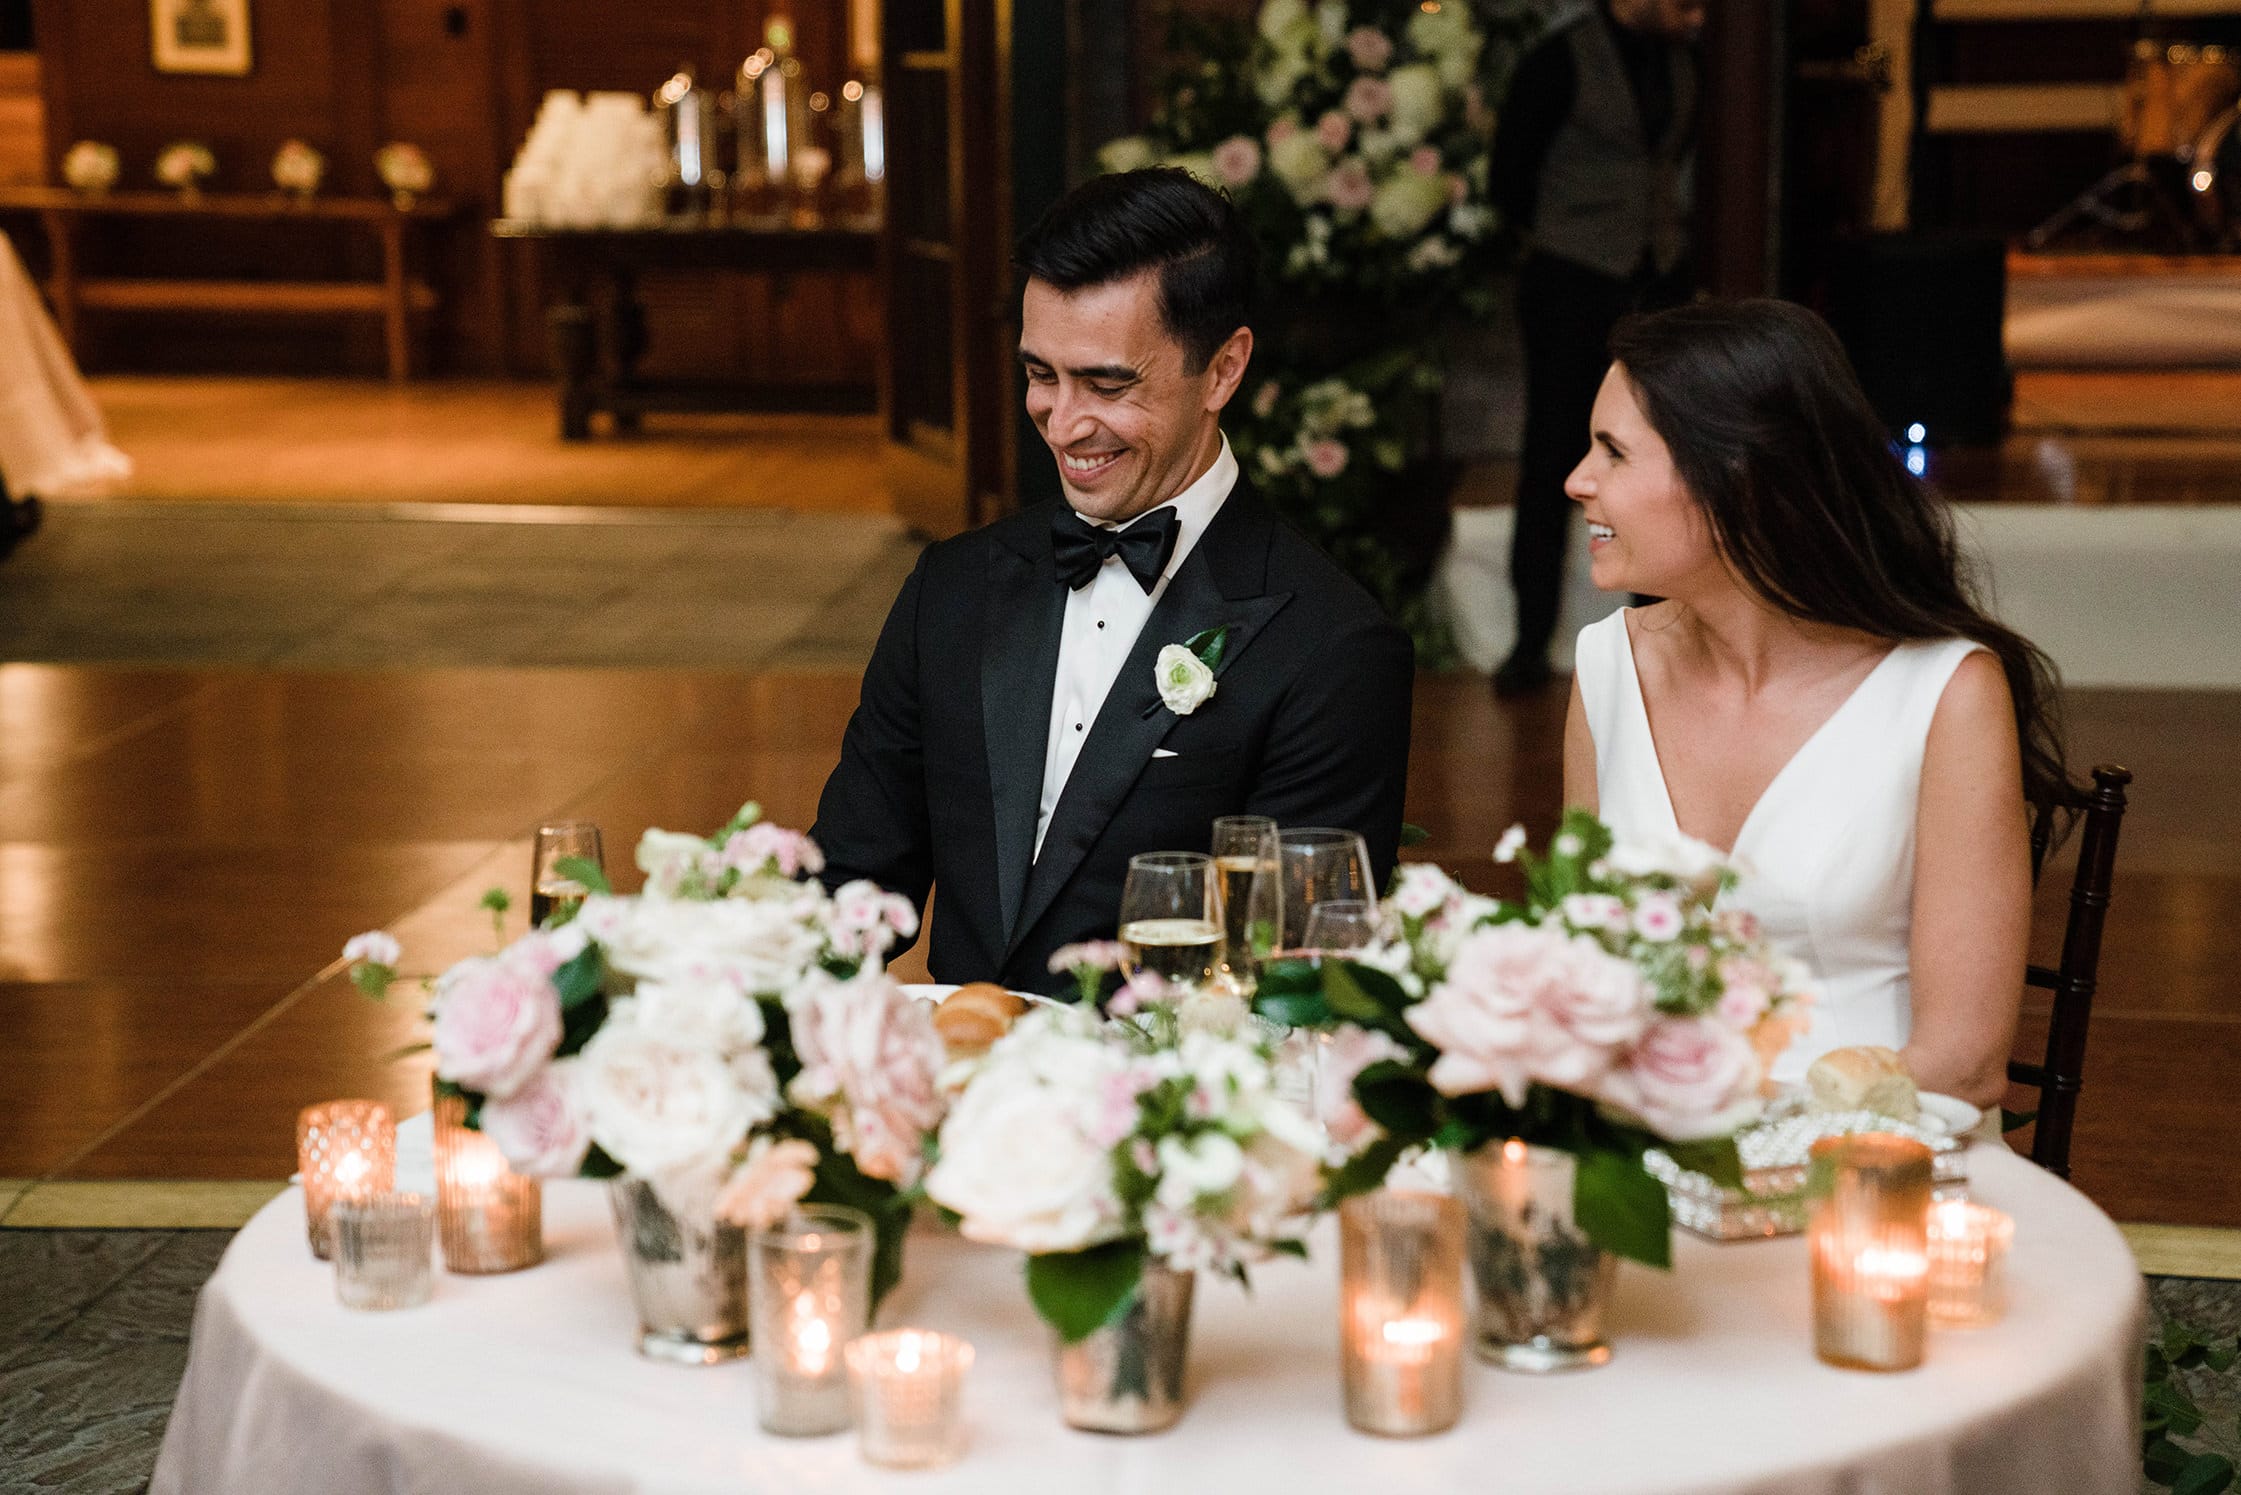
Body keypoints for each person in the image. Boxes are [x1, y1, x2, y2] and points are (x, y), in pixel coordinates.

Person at [811, 168, 1414, 995]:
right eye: (1040, 375)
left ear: (1223, 369)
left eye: (1106, 384)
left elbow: (1295, 981)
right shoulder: (953, 587)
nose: (1063, 424)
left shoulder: (1332, 645)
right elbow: (851, 882)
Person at [1561, 300, 2070, 1109]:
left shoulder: (1944, 694)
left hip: (1879, 1150)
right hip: (1647, 1140)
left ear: (1735, 477)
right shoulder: (1608, 668)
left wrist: (1743, 1132)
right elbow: (1579, 978)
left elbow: (1964, 1062)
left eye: (1613, 452)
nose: (1577, 480)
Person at [1489, 0, 1704, 696]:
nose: (1695, 16)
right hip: (1569, 282)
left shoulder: (1684, 63)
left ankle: (1656, 631)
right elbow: (1508, 177)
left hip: (1653, 280)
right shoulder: (1557, 61)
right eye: (1685, 3)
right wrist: (1570, 234)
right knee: (1553, 451)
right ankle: (1529, 640)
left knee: (1659, 458)